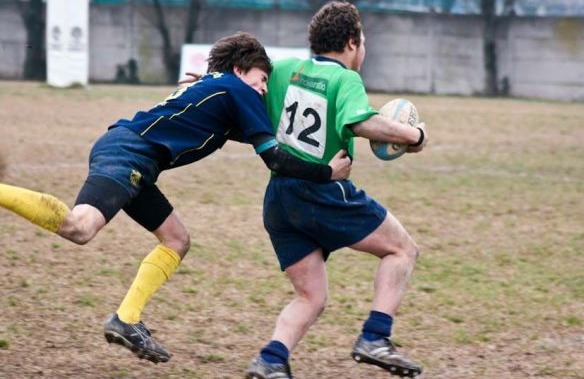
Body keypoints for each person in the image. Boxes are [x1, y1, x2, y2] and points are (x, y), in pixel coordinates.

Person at [0, 32, 351, 364]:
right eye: (260, 80)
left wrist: (212, 83)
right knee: (80, 227)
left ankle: (126, 320)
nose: (262, 90)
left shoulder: (220, 88)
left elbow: (239, 126)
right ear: (239, 69)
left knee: (176, 239)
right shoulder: (234, 89)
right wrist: (326, 174)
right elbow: (273, 157)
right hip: (129, 154)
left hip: (136, 157)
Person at [244, 1, 428, 378]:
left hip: (279, 198)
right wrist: (414, 135)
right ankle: (375, 337)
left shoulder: (285, 70)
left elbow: (248, 88)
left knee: (311, 296)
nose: (364, 48)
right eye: (362, 41)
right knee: (402, 249)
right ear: (350, 42)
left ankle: (270, 360)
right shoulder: (346, 80)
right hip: (320, 192)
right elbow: (363, 123)